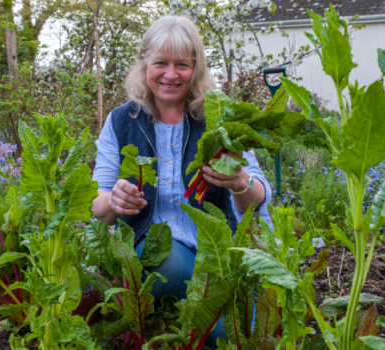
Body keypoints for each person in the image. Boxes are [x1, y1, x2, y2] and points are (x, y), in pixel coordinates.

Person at [92, 15, 273, 347]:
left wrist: (239, 181)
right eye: (161, 62)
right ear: (144, 61)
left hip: (217, 251)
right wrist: (113, 202)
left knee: (244, 326)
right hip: (150, 248)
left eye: (182, 65)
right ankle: (217, 311)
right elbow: (98, 204)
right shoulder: (121, 121)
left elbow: (258, 198)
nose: (171, 74)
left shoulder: (219, 118)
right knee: (175, 266)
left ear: (197, 68)